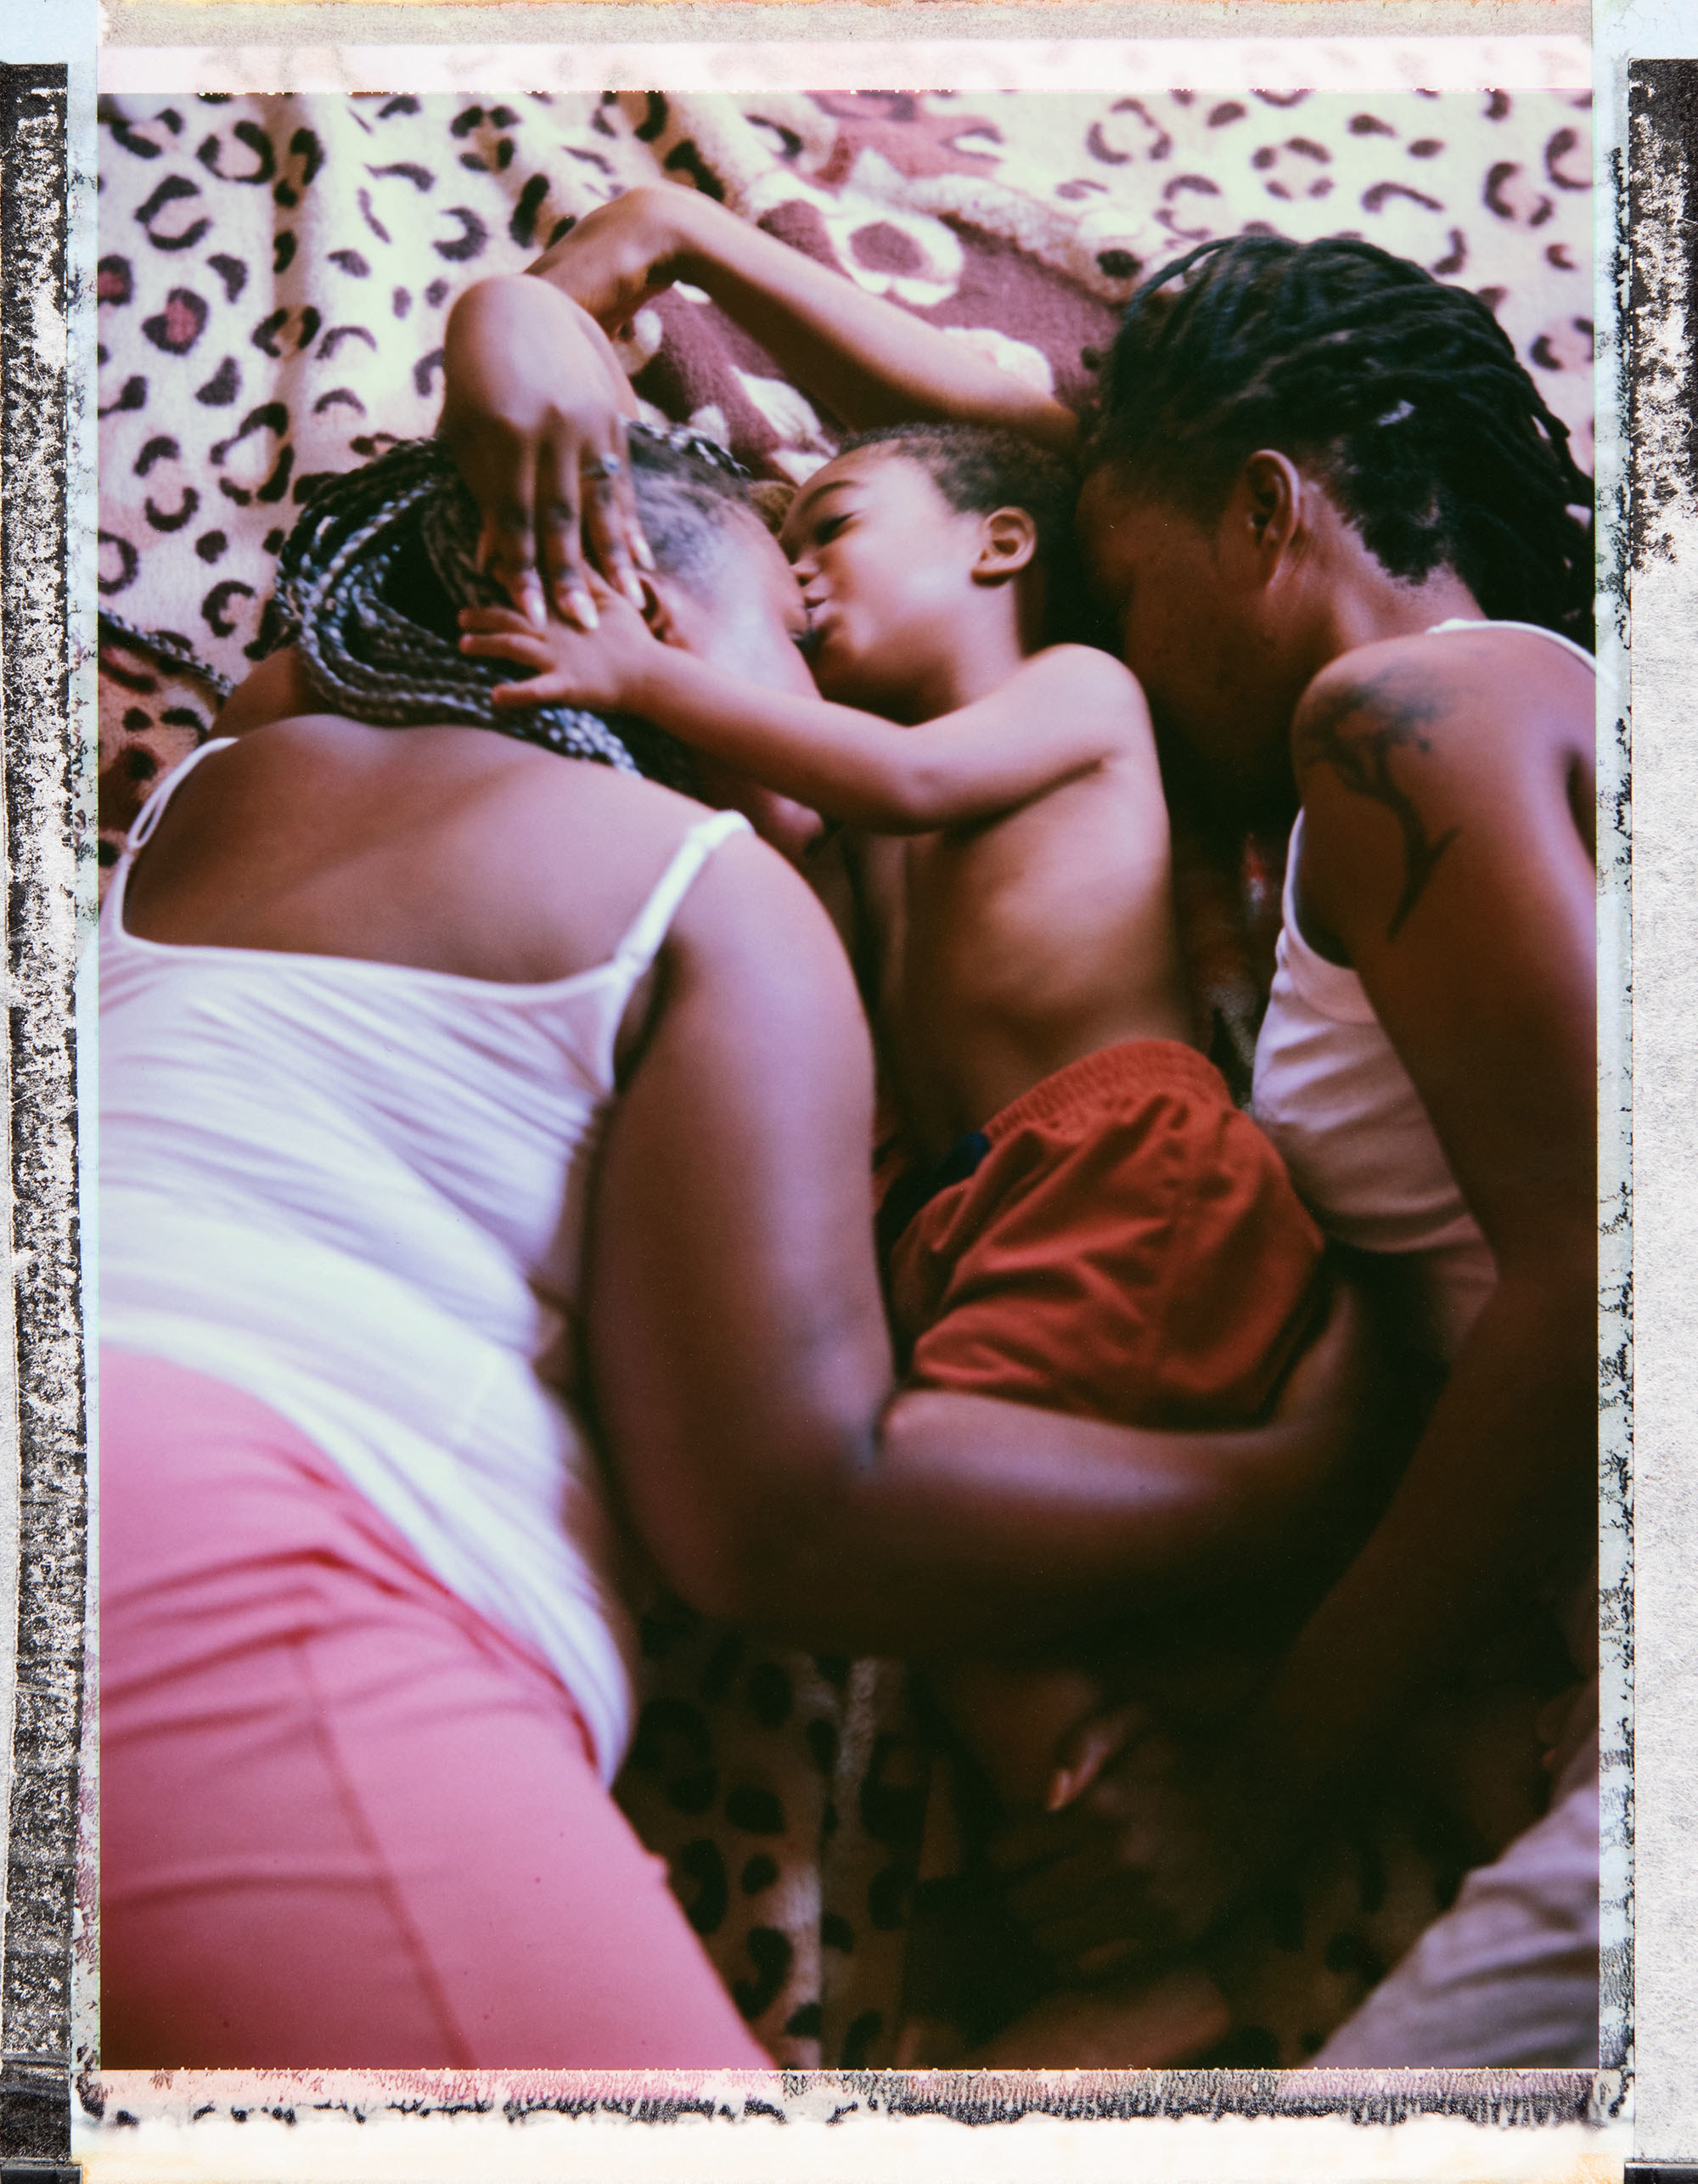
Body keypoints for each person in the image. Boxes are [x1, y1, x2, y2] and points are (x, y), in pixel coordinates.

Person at [99, 312, 1367, 2068]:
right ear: (654, 627)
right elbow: (789, 1515)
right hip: (261, 1547)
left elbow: (417, 555)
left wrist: (512, 339)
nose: (818, 673)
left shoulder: (230, 776)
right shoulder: (697, 888)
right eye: (787, 621)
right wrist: (1305, 1481)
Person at [443, 187, 1598, 2065]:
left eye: (1119, 591)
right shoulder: (1441, 735)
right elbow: (1056, 456)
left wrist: (1272, 1788)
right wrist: (682, 246)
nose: (1103, 631)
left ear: (1263, 510)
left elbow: (1598, 1288)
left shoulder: (1408, 712)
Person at [455, 418, 1330, 1819]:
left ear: (999, 544)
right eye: (785, 547)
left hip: (1112, 1148)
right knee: (964, 1598)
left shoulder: (1076, 690)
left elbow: (908, 776)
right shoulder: (843, 820)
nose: (798, 576)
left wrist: (650, 673)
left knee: (940, 1565)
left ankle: (1147, 1880)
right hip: (963, 1204)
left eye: (833, 528)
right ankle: (1134, 1851)